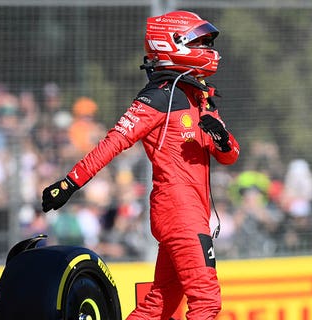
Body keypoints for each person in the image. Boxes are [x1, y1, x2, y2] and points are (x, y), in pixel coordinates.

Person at [42, 10, 240, 320]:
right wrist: (70, 183)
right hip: (179, 211)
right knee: (206, 302)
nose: (208, 50)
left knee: (158, 306)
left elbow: (230, 156)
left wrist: (222, 139)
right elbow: (114, 142)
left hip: (190, 212)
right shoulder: (158, 97)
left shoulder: (198, 96)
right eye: (199, 42)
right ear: (172, 44)